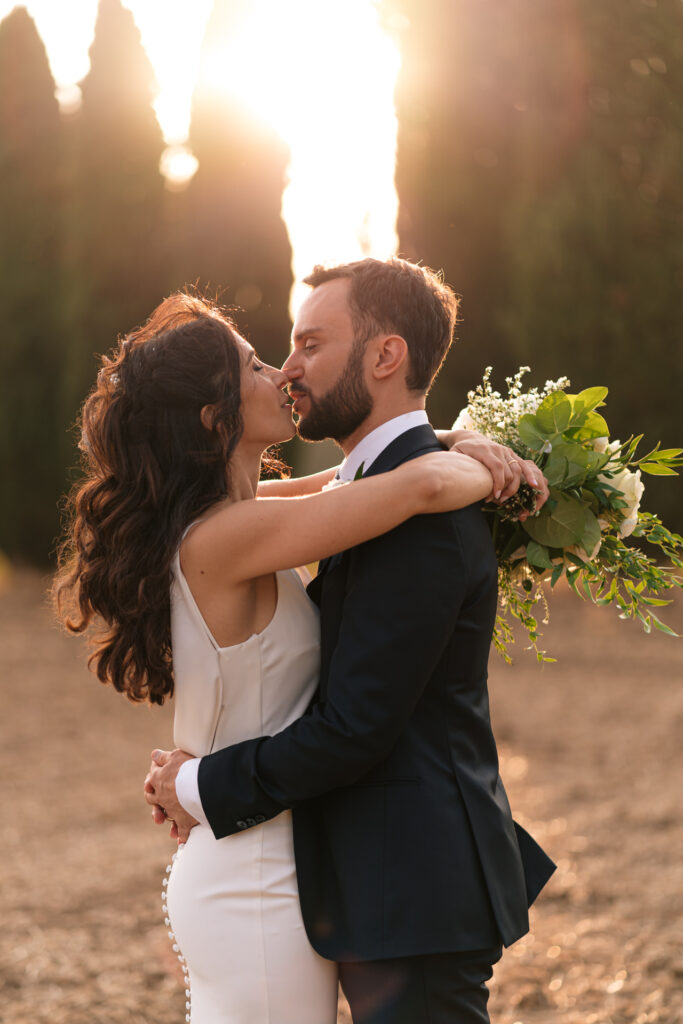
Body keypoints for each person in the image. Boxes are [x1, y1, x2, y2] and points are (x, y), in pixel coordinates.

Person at [54, 282, 539, 1024]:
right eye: (255, 365)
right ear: (215, 415)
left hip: (272, 848)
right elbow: (414, 486)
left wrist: (450, 438)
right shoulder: (229, 536)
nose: (281, 373)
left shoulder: (247, 516)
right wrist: (487, 462)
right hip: (251, 869)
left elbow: (353, 482)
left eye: (300, 347)